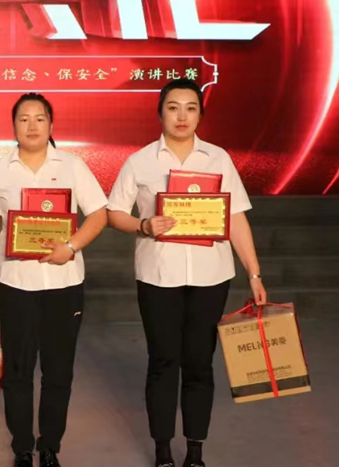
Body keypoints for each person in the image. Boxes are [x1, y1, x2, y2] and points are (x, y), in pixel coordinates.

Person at [107, 78, 267, 467]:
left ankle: (195, 451)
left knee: (199, 362)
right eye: (173, 107)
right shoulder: (140, 161)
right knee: (163, 360)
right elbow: (114, 213)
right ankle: (162, 449)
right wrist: (144, 225)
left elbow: (235, 217)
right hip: (158, 275)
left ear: (200, 115)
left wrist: (254, 273)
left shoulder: (218, 159)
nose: (182, 116)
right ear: (160, 113)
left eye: (191, 108)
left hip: (211, 276)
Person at [0, 93, 108, 467]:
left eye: (40, 118)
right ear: (13, 125)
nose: (32, 126)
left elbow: (99, 215)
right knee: (17, 371)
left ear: (51, 125)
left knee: (58, 371)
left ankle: (50, 447)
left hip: (64, 284)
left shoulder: (73, 166)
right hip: (16, 284)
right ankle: (23, 448)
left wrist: (71, 247)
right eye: (24, 119)